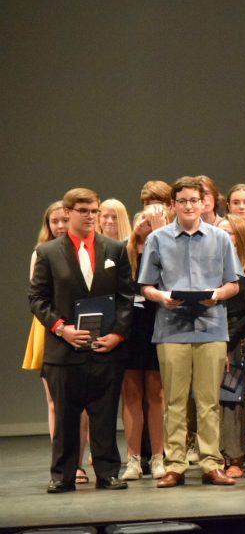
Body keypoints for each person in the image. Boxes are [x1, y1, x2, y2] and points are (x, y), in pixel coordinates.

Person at [138, 176, 243, 487]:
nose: (188, 206)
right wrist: (164, 297)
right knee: (174, 400)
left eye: (193, 200)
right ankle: (175, 465)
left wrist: (216, 294)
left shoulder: (220, 238)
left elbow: (234, 283)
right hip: (171, 327)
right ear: (173, 205)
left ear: (203, 203)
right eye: (181, 201)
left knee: (210, 400)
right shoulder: (158, 239)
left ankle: (212, 463)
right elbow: (145, 287)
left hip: (211, 326)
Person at [30, 187, 133, 493]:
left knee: (104, 414)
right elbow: (37, 299)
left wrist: (117, 334)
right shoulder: (49, 253)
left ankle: (108, 473)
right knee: (65, 417)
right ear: (68, 213)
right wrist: (62, 328)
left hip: (105, 348)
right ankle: (62, 475)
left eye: (94, 211)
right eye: (84, 211)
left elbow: (126, 297)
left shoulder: (114, 250)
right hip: (64, 349)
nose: (90, 217)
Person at [23, 201, 93, 485]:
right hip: (50, 328)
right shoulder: (42, 253)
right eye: (54, 221)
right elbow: (39, 296)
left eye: (64, 220)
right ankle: (63, 462)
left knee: (84, 402)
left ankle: (78, 462)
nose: (60, 226)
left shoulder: (88, 249)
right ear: (48, 225)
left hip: (83, 326)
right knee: (55, 402)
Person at [120, 209, 168, 481]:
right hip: (129, 326)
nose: (146, 224)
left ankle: (158, 457)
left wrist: (159, 234)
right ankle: (133, 460)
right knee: (131, 393)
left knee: (156, 393)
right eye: (143, 219)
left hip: (158, 322)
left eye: (153, 221)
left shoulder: (165, 244)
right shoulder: (123, 250)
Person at [215, 213, 245, 479]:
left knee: (233, 399)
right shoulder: (208, 264)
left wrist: (228, 341)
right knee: (211, 399)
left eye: (228, 233)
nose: (222, 237)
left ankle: (235, 456)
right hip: (211, 333)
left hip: (240, 337)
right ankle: (213, 455)